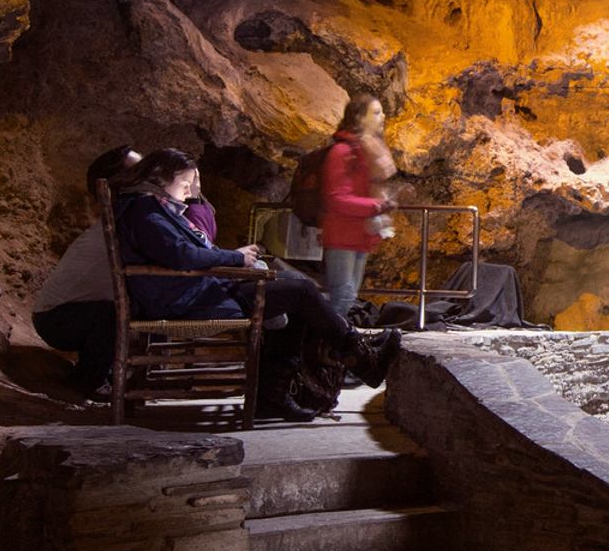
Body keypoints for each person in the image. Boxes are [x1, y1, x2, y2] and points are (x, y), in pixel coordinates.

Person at [116, 149, 400, 419]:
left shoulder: (152, 210)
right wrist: (236, 258)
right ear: (159, 179)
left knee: (294, 289)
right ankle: (362, 357)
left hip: (195, 290)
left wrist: (233, 260)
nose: (191, 192)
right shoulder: (146, 213)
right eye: (185, 183)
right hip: (185, 298)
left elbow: (182, 252)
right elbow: (182, 254)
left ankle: (275, 394)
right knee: (300, 291)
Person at [31, 145, 141, 394]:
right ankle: (88, 381)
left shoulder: (123, 225)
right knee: (112, 313)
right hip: (55, 319)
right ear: (118, 186)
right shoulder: (119, 229)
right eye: (138, 172)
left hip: (72, 313)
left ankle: (106, 372)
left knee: (120, 309)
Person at [319, 94, 396, 320]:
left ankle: (333, 348)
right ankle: (326, 348)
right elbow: (336, 198)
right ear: (360, 117)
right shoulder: (342, 152)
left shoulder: (363, 152)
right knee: (341, 298)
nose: (383, 116)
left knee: (348, 297)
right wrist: (377, 206)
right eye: (376, 112)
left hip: (359, 234)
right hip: (342, 235)